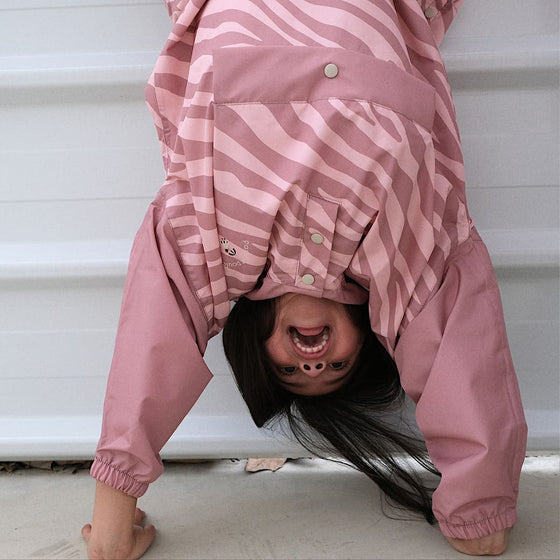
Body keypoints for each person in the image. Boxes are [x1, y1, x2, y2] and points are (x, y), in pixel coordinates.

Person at [81, 0, 528, 558]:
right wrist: (479, 509)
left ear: (254, 345)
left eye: (290, 371)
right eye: (336, 367)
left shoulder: (215, 253)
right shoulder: (399, 256)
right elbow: (458, 349)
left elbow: (153, 334)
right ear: (376, 337)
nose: (313, 360)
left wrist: (113, 516)